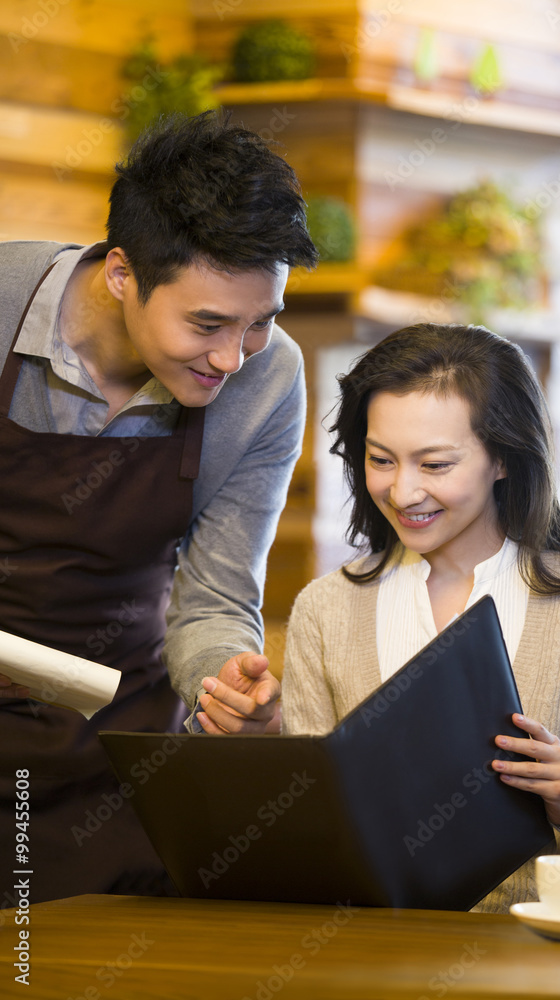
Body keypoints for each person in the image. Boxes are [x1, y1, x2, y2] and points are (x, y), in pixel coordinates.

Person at [0, 110, 318, 905]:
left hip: (115, 751)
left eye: (260, 321)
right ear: (120, 273)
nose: (231, 357)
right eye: (207, 323)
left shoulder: (269, 379)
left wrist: (226, 686)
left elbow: (213, 597)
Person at [282, 322, 560, 913]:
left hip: (540, 962)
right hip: (367, 957)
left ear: (504, 459)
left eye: (435, 465)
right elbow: (307, 819)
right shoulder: (325, 609)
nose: (403, 491)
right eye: (380, 459)